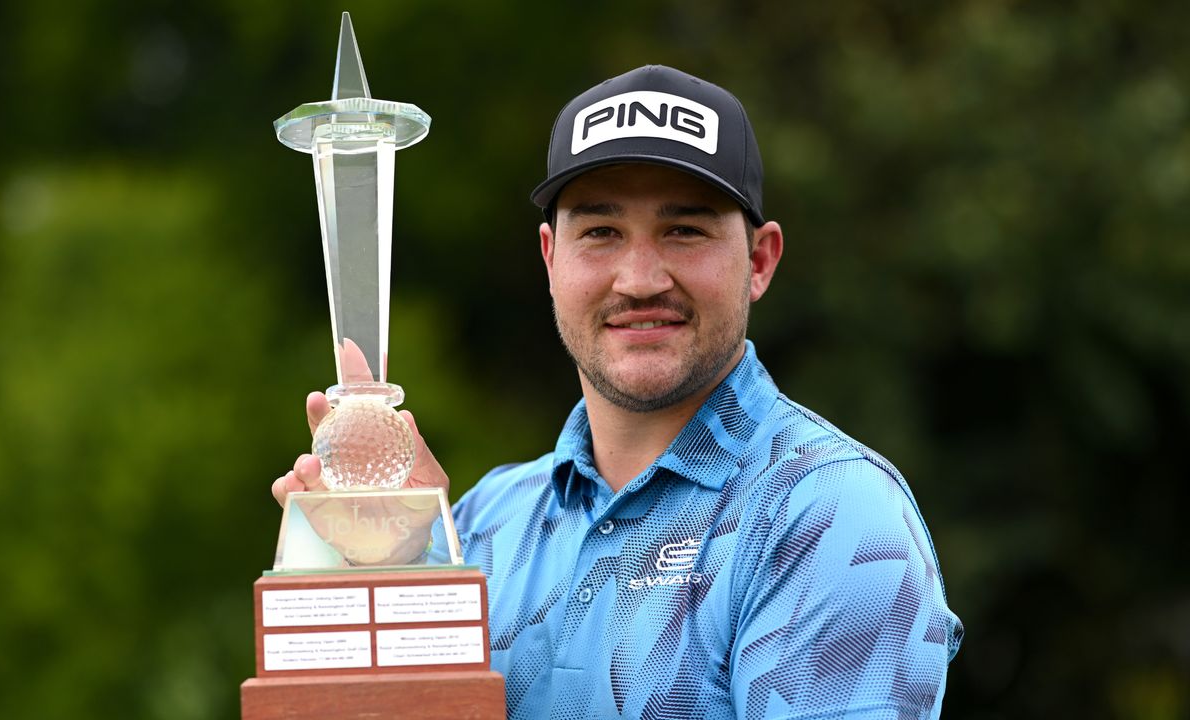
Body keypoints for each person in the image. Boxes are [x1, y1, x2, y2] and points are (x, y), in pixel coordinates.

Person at [272, 65, 963, 719]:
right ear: (550, 258)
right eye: (601, 232)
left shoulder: (827, 517)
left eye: (683, 230)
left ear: (759, 260)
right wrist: (405, 578)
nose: (638, 278)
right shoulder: (482, 527)